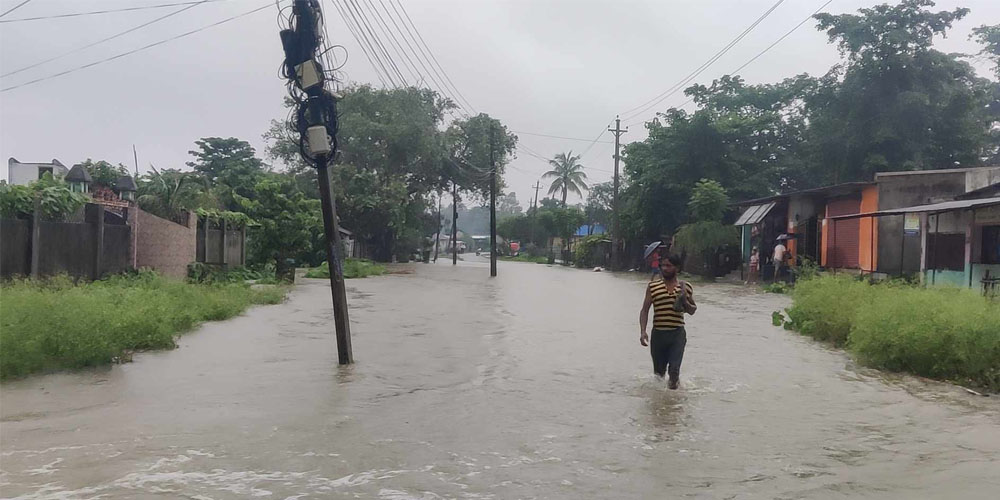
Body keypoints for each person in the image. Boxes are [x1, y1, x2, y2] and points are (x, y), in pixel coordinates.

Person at [639, 253, 696, 389]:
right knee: (659, 375)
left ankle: (673, 402)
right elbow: (645, 310)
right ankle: (661, 405)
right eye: (663, 265)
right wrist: (643, 331)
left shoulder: (685, 287)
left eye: (668, 266)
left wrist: (684, 301)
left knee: (674, 371)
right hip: (658, 334)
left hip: (677, 334)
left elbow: (692, 310)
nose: (664, 268)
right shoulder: (653, 287)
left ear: (677, 268)